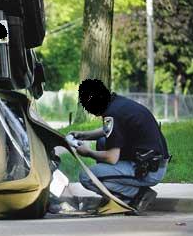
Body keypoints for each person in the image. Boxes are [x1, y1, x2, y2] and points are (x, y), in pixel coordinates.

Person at [70, 79, 170, 213]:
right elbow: (112, 130)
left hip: (150, 170)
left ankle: (138, 195)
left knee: (87, 177)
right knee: (101, 142)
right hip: (151, 161)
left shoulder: (112, 114)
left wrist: (87, 152)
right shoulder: (117, 104)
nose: (89, 110)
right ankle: (117, 190)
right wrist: (84, 135)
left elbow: (112, 158)